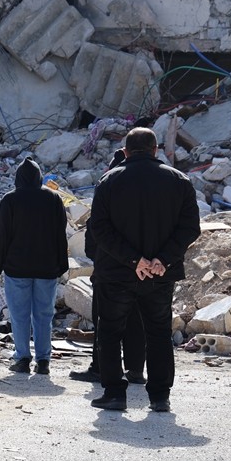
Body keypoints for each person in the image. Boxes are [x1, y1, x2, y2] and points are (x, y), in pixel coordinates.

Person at [88, 127, 200, 412]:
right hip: (161, 274)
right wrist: (162, 259)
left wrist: (133, 260)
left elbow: (99, 229)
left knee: (110, 331)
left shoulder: (109, 181)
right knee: (159, 333)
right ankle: (160, 396)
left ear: (125, 152)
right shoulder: (179, 181)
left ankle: (114, 393)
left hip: (117, 273)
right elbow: (190, 229)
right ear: (156, 150)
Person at [71, 148, 146, 385]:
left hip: (110, 271)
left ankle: (100, 369)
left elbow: (96, 232)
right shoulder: (148, 192)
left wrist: (97, 258)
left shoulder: (108, 188)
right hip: (143, 271)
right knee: (136, 322)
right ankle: (135, 370)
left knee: (106, 324)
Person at [0, 157, 69, 375]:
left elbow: (2, 238)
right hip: (47, 268)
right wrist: (62, 264)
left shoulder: (10, 200)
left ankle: (23, 357)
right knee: (44, 314)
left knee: (19, 315)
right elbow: (60, 234)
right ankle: (43, 360)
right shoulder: (53, 198)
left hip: (17, 268)